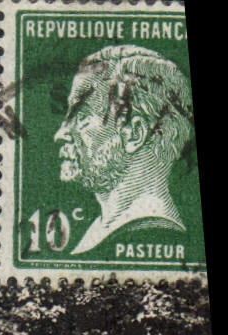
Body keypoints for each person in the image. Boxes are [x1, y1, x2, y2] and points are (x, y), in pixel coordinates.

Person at [53, 43, 194, 255]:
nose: (60, 134)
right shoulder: (104, 230)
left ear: (134, 134)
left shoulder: (147, 233)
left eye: (82, 117)